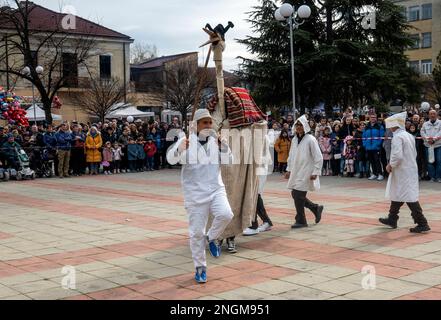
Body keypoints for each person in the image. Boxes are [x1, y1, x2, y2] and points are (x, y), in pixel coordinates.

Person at [166, 109, 233, 284]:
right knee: (196, 233)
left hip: (216, 188)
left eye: (210, 123)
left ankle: (211, 238)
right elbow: (171, 160)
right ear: (195, 125)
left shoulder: (217, 141)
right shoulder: (185, 141)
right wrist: (179, 149)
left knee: (226, 214)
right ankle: (200, 267)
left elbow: (230, 161)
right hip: (195, 194)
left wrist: (223, 147)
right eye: (205, 122)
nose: (208, 126)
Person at [379, 112, 431, 233]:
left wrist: (390, 165)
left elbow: (397, 155)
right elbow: (414, 153)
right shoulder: (408, 135)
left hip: (402, 169)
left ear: (394, 125)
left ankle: (422, 222)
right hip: (409, 168)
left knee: (408, 195)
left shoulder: (398, 137)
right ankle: (392, 218)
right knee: (398, 192)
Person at [285, 115, 324, 229]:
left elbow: (318, 157)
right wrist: (288, 169)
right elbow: (291, 156)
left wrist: (316, 172)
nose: (298, 127)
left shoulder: (311, 139)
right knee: (296, 194)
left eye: (301, 125)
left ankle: (301, 220)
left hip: (307, 171)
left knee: (298, 194)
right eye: (297, 125)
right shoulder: (294, 139)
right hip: (297, 170)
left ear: (305, 126)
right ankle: (315, 208)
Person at [363, 114, 385, 181]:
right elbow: (364, 137)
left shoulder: (379, 126)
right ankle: (374, 174)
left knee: (377, 161)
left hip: (376, 147)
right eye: (372, 117)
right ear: (369, 118)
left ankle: (380, 174)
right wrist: (365, 144)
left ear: (376, 118)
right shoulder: (366, 127)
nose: (373, 118)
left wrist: (378, 144)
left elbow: (381, 137)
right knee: (371, 161)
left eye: (374, 117)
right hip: (368, 147)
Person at [421, 109, 441, 182]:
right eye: (431, 114)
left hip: (438, 145)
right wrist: (427, 140)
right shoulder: (425, 124)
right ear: (429, 115)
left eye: (434, 114)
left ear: (436, 115)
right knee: (430, 162)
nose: (432, 115)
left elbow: (440, 132)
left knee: (439, 161)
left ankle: (438, 177)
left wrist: (434, 139)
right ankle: (432, 177)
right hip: (428, 146)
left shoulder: (440, 123)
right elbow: (422, 132)